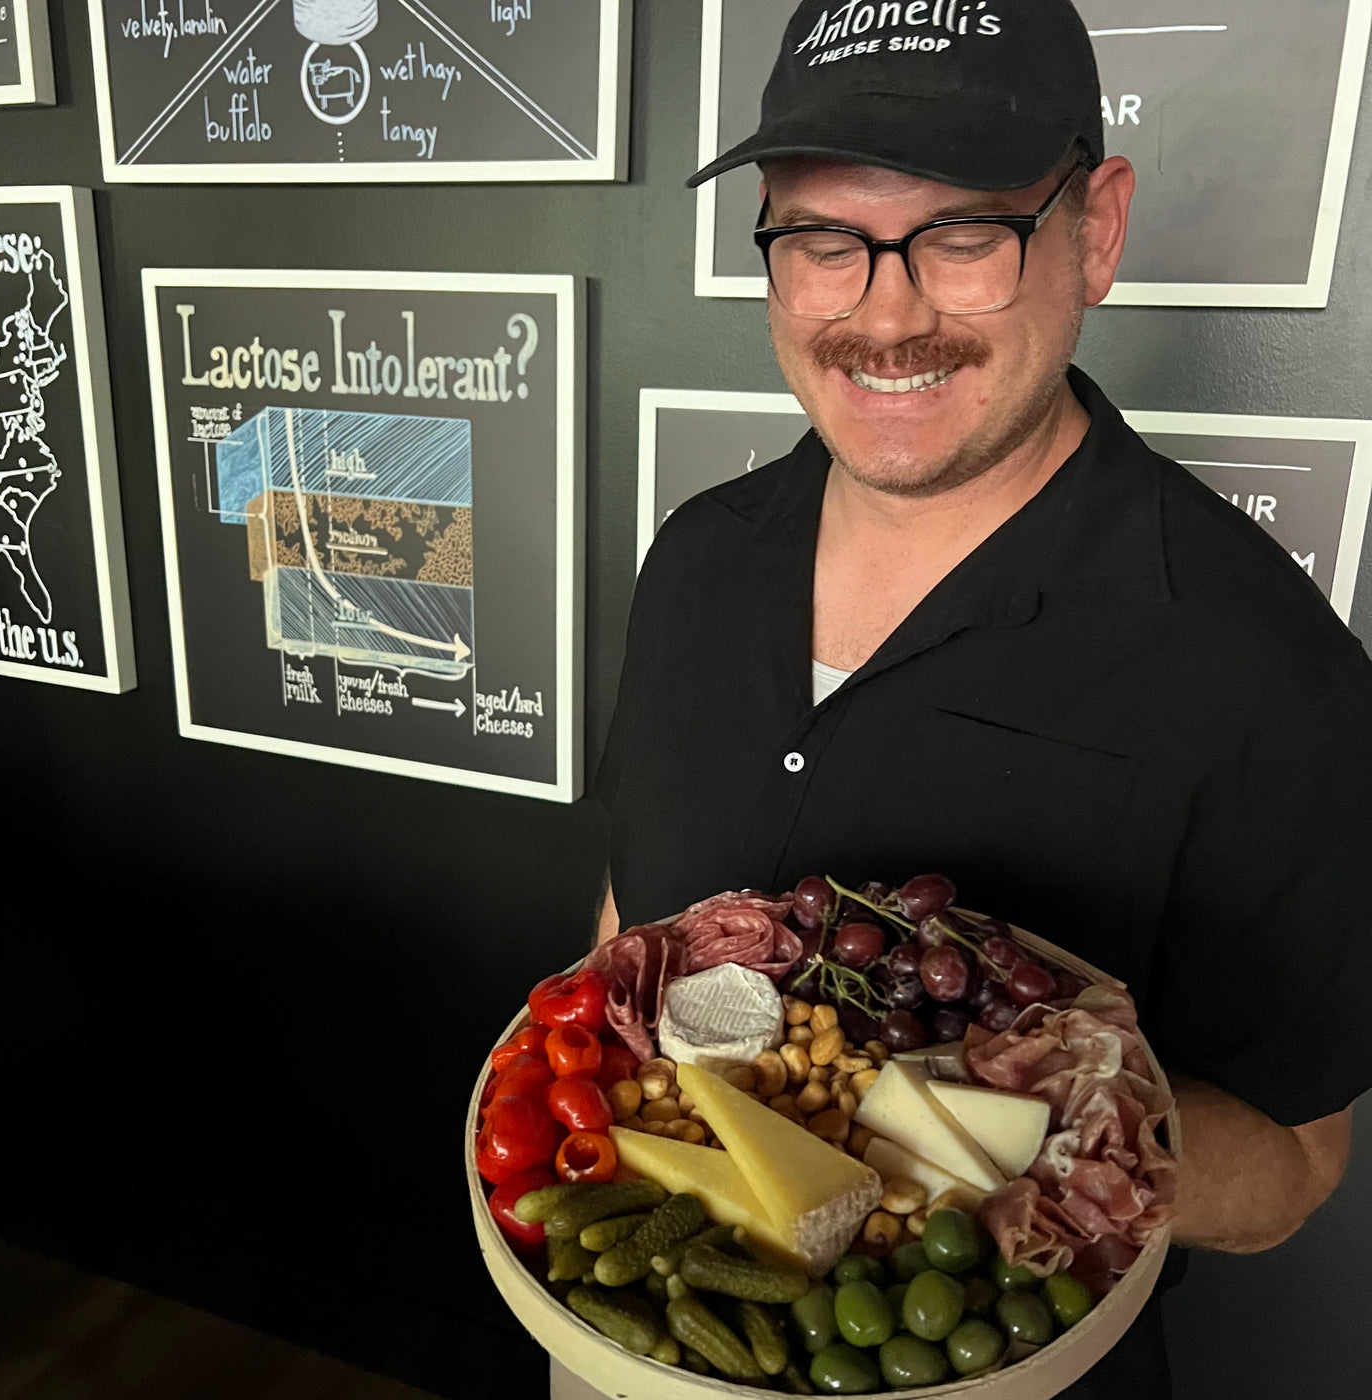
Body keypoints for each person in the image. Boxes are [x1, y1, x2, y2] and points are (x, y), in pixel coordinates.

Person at [581, 2, 1371, 1397]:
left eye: (962, 234)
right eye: (824, 235)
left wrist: (1043, 1123)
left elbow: (1297, 1171)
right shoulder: (693, 560)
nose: (885, 314)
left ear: (1098, 229)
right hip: (627, 1336)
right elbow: (624, 938)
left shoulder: (1262, 668)